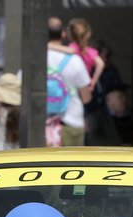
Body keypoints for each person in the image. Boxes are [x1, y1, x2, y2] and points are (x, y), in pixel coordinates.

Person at [47, 17, 92, 147]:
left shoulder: (34, 58)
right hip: (71, 122)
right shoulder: (74, 60)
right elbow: (86, 98)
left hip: (42, 125)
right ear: (63, 34)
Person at [86, 82, 133, 147]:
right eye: (120, 96)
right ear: (108, 100)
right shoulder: (96, 117)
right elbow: (91, 140)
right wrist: (118, 145)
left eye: (125, 95)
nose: (124, 99)